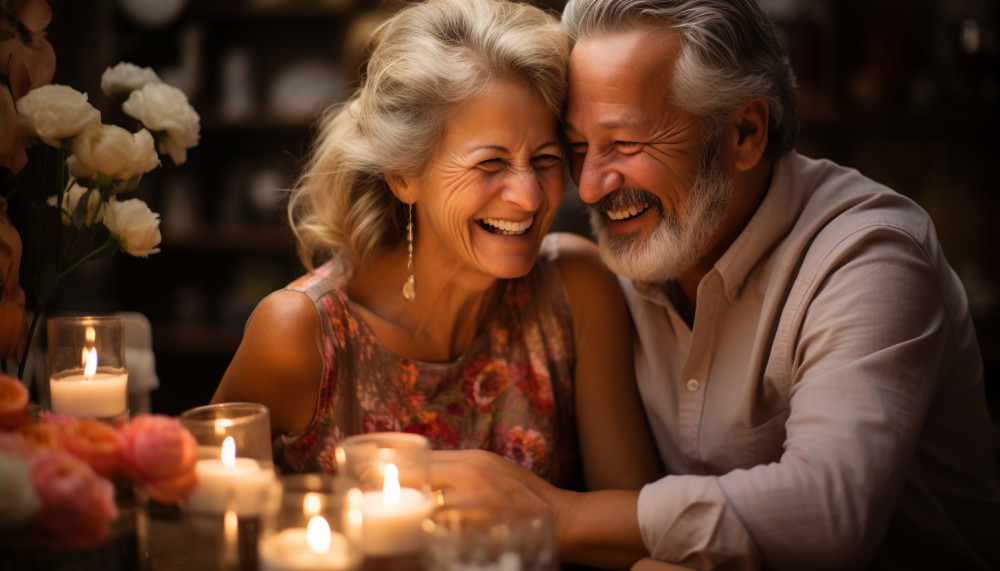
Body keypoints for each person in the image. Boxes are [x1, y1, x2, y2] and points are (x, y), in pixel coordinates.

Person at [430, 0, 1000, 569]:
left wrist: (556, 517)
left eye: (626, 145)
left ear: (745, 133)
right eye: (578, 148)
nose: (594, 186)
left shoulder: (869, 255)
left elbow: (828, 513)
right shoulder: (625, 257)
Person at [211, 0, 661, 495]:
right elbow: (196, 521)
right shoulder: (297, 336)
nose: (530, 196)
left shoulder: (577, 287)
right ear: (404, 175)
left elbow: (635, 518)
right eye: (490, 163)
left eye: (546, 158)